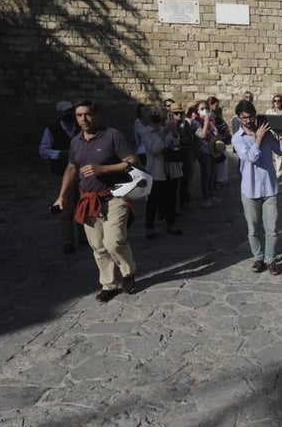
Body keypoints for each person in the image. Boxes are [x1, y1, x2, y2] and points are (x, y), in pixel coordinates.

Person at [52, 100, 139, 302]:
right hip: (88, 200)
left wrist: (104, 169)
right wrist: (62, 196)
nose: (84, 119)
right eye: (79, 115)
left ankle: (128, 272)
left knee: (114, 241)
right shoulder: (76, 141)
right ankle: (109, 283)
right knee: (98, 246)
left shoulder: (113, 136)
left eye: (88, 114)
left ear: (97, 114)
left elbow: (133, 161)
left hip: (115, 196)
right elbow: (72, 168)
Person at [231, 100, 282, 275]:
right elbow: (251, 157)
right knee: (253, 229)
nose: (248, 121)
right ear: (239, 118)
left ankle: (271, 260)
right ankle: (258, 257)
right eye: (244, 118)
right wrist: (259, 138)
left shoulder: (266, 134)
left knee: (272, 229)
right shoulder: (237, 138)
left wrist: (278, 135)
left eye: (251, 117)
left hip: (270, 188)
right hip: (250, 190)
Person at [39, 100, 81, 254]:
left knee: (83, 204)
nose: (69, 114)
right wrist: (60, 153)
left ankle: (84, 236)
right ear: (60, 114)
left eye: (71, 111)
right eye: (66, 112)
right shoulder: (52, 130)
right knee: (67, 207)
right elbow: (43, 150)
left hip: (81, 172)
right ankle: (68, 240)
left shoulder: (79, 127)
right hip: (62, 172)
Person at [141, 107, 184, 240]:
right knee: (153, 200)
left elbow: (175, 143)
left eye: (157, 114)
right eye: (153, 114)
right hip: (156, 170)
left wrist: (174, 132)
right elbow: (154, 150)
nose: (156, 116)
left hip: (170, 168)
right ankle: (150, 228)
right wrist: (164, 134)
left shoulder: (164, 128)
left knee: (171, 198)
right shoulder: (145, 131)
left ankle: (171, 224)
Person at [194, 99, 219, 208]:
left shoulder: (212, 120)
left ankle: (211, 195)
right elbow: (203, 135)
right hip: (203, 151)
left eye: (206, 108)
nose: (205, 111)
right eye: (202, 109)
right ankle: (206, 198)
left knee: (212, 174)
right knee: (206, 174)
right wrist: (206, 121)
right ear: (198, 111)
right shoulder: (196, 122)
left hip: (212, 150)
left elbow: (215, 133)